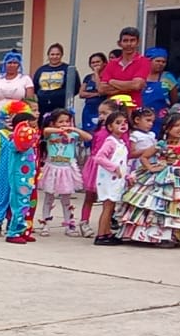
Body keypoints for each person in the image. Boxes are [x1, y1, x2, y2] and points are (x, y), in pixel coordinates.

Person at [0, 108, 39, 243]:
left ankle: (21, 229)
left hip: (26, 177)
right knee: (6, 198)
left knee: (25, 203)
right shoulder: (13, 140)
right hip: (9, 173)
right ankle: (4, 226)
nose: (33, 129)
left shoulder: (29, 140)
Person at [36, 109, 90, 237]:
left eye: (67, 121)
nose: (65, 124)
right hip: (53, 167)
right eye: (61, 121)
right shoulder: (51, 134)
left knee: (66, 199)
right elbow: (45, 131)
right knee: (49, 197)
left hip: (67, 168)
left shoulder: (73, 135)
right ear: (53, 123)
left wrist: (74, 129)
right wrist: (60, 130)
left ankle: (69, 224)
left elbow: (88, 137)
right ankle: (45, 223)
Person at [79, 98, 126, 237]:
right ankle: (84, 222)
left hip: (108, 168)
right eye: (100, 113)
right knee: (90, 197)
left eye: (105, 113)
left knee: (109, 199)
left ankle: (106, 227)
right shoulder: (101, 130)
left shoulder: (118, 134)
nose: (101, 116)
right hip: (95, 165)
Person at [92, 111, 131, 245]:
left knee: (111, 207)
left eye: (125, 122)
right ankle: (101, 235)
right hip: (108, 180)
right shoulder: (110, 142)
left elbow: (122, 163)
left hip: (116, 180)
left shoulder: (121, 142)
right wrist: (113, 168)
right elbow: (99, 158)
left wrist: (126, 175)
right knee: (107, 208)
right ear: (110, 127)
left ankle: (107, 232)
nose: (123, 125)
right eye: (118, 123)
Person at [100, 27, 151, 106]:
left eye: (132, 40)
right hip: (112, 109)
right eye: (125, 40)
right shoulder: (111, 63)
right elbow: (102, 89)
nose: (129, 44)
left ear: (138, 42)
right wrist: (128, 86)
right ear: (119, 43)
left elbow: (136, 85)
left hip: (133, 109)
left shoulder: (144, 61)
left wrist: (111, 81)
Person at [33, 43, 81, 116]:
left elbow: (75, 88)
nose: (55, 57)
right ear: (48, 55)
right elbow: (35, 86)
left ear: (61, 55)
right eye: (52, 54)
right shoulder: (41, 70)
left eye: (57, 54)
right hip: (43, 105)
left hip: (61, 105)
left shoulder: (68, 69)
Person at [142, 48, 174, 135]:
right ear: (149, 61)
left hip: (160, 119)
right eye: (158, 61)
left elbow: (174, 98)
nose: (161, 64)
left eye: (163, 62)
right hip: (141, 117)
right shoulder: (140, 75)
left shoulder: (167, 77)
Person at [79, 53, 108, 133]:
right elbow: (81, 94)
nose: (95, 64)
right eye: (93, 62)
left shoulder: (107, 76)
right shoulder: (88, 77)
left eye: (98, 62)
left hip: (101, 108)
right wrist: (96, 94)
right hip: (89, 109)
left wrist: (96, 73)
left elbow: (101, 89)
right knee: (88, 131)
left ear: (104, 63)